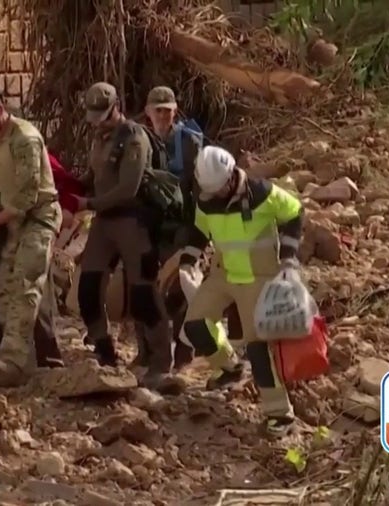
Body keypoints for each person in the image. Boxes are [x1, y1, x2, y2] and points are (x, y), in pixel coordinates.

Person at [179, 146, 304, 434]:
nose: (214, 196)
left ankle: (280, 414)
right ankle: (229, 367)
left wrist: (288, 256)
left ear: (232, 176)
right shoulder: (207, 198)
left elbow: (295, 213)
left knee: (259, 347)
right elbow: (200, 231)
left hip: (257, 278)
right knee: (196, 325)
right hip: (222, 274)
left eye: (219, 189)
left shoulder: (263, 193)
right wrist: (188, 260)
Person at [72, 81, 182, 393]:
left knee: (143, 294)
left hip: (131, 221)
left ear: (116, 108)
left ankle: (160, 361)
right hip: (104, 223)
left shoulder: (133, 137)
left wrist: (88, 204)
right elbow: (95, 177)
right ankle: (104, 350)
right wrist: (71, 186)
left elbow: (128, 188)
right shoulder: (99, 138)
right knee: (89, 287)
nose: (98, 122)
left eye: (103, 115)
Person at [0, 85, 62, 386]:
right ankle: (23, 358)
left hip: (39, 218)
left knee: (24, 284)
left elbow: (25, 198)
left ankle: (12, 361)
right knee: (4, 288)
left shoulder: (26, 139)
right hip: (13, 222)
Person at [0, 149, 85, 370]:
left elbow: (66, 184)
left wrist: (67, 206)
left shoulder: (31, 150)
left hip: (31, 231)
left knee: (36, 295)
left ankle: (48, 360)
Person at [142, 86, 205, 370]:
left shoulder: (188, 141)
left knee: (181, 286)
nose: (163, 116)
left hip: (182, 223)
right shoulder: (141, 140)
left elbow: (200, 187)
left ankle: (183, 352)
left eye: (168, 111)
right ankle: (148, 352)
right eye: (158, 111)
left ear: (175, 111)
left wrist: (199, 233)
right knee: (142, 284)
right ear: (148, 112)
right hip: (153, 222)